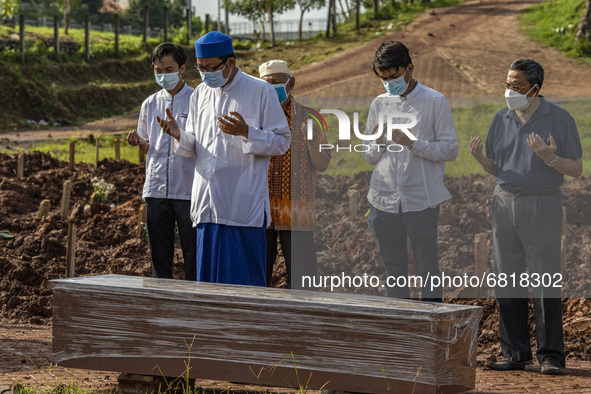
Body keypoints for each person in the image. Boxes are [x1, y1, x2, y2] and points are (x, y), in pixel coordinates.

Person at [470, 58, 582, 375]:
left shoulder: (560, 119)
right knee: (508, 280)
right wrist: (481, 161)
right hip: (504, 201)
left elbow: (576, 169)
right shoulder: (500, 118)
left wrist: (551, 158)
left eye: (515, 86)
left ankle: (551, 356)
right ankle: (516, 353)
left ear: (534, 88)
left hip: (542, 204)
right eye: (506, 84)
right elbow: (497, 166)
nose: (509, 90)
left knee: (545, 280)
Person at [157, 32, 291, 286]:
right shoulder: (200, 95)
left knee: (243, 286)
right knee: (208, 287)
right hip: (207, 207)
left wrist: (247, 132)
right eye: (200, 67)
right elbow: (196, 145)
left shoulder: (259, 91)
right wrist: (178, 135)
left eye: (211, 67)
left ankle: (246, 326)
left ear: (230, 63)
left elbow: (282, 141)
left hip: (242, 207)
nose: (205, 73)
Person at [362, 41, 458, 302]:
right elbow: (369, 156)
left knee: (428, 267)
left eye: (393, 76)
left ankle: (431, 324)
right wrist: (377, 141)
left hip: (421, 200)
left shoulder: (435, 101)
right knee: (394, 270)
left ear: (409, 69)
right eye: (383, 79)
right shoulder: (379, 104)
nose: (389, 83)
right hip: (383, 200)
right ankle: (401, 326)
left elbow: (450, 149)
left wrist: (412, 143)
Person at [258, 60, 331, 289]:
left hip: (297, 208)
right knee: (259, 275)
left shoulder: (311, 118)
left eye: (276, 83)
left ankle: (305, 320)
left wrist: (312, 144)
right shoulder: (253, 120)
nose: (272, 89)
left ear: (291, 83)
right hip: (261, 210)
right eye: (266, 85)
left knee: (303, 277)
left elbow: (323, 164)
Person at [127, 42, 196, 281]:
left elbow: (203, 145)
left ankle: (194, 300)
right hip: (156, 189)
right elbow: (149, 147)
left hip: (189, 189)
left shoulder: (197, 100)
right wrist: (139, 142)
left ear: (182, 68)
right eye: (158, 70)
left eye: (169, 69)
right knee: (159, 252)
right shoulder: (150, 103)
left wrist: (178, 134)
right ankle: (161, 300)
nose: (163, 75)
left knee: (193, 251)